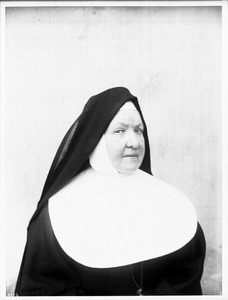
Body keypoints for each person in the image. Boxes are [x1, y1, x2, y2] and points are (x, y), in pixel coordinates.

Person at [15, 87, 206, 296]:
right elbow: (44, 289)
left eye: (138, 130)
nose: (134, 142)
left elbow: (184, 275)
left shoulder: (170, 202)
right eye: (120, 131)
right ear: (96, 140)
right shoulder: (58, 212)